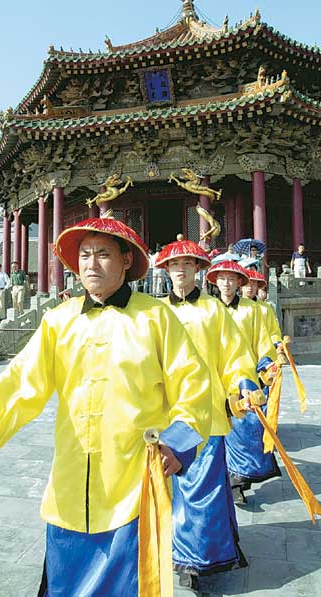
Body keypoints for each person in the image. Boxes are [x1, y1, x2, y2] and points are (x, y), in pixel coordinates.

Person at [0, 215, 212, 597]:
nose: (92, 263)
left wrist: (179, 440)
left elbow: (194, 385)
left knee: (129, 582)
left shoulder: (157, 318)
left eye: (103, 254)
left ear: (126, 261)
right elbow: (22, 383)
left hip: (133, 477)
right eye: (85, 255)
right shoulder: (59, 320)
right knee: (65, 580)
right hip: (72, 479)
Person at [156, 241, 259, 590]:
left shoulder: (214, 311)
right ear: (165, 271)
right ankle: (184, 546)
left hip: (207, 413)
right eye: (174, 265)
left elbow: (235, 356)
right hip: (164, 417)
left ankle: (198, 560)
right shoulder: (154, 314)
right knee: (171, 489)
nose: (181, 270)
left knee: (203, 489)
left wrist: (243, 384)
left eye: (187, 264)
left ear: (198, 270)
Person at [206, 260, 280, 504]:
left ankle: (238, 482)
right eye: (222, 278)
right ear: (215, 282)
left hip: (243, 379)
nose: (226, 283)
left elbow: (262, 343)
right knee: (215, 433)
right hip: (214, 378)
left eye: (231, 279)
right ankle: (220, 480)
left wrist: (266, 368)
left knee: (244, 433)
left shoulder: (252, 310)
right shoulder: (208, 309)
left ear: (240, 283)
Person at [241, 270, 281, 342]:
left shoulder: (265, 308)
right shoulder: (235, 306)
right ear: (241, 286)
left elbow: (274, 331)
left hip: (262, 347)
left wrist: (276, 343)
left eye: (253, 284)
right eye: (247, 284)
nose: (250, 288)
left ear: (257, 286)